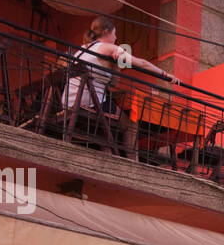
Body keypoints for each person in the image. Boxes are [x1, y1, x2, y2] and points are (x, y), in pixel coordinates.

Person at [63, 16, 180, 155]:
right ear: (106, 32)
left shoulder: (82, 50)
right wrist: (165, 75)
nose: (116, 37)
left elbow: (112, 83)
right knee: (130, 124)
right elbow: (141, 63)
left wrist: (116, 66)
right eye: (114, 33)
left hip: (67, 102)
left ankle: (107, 152)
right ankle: (132, 161)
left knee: (110, 120)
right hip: (89, 103)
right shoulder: (108, 48)